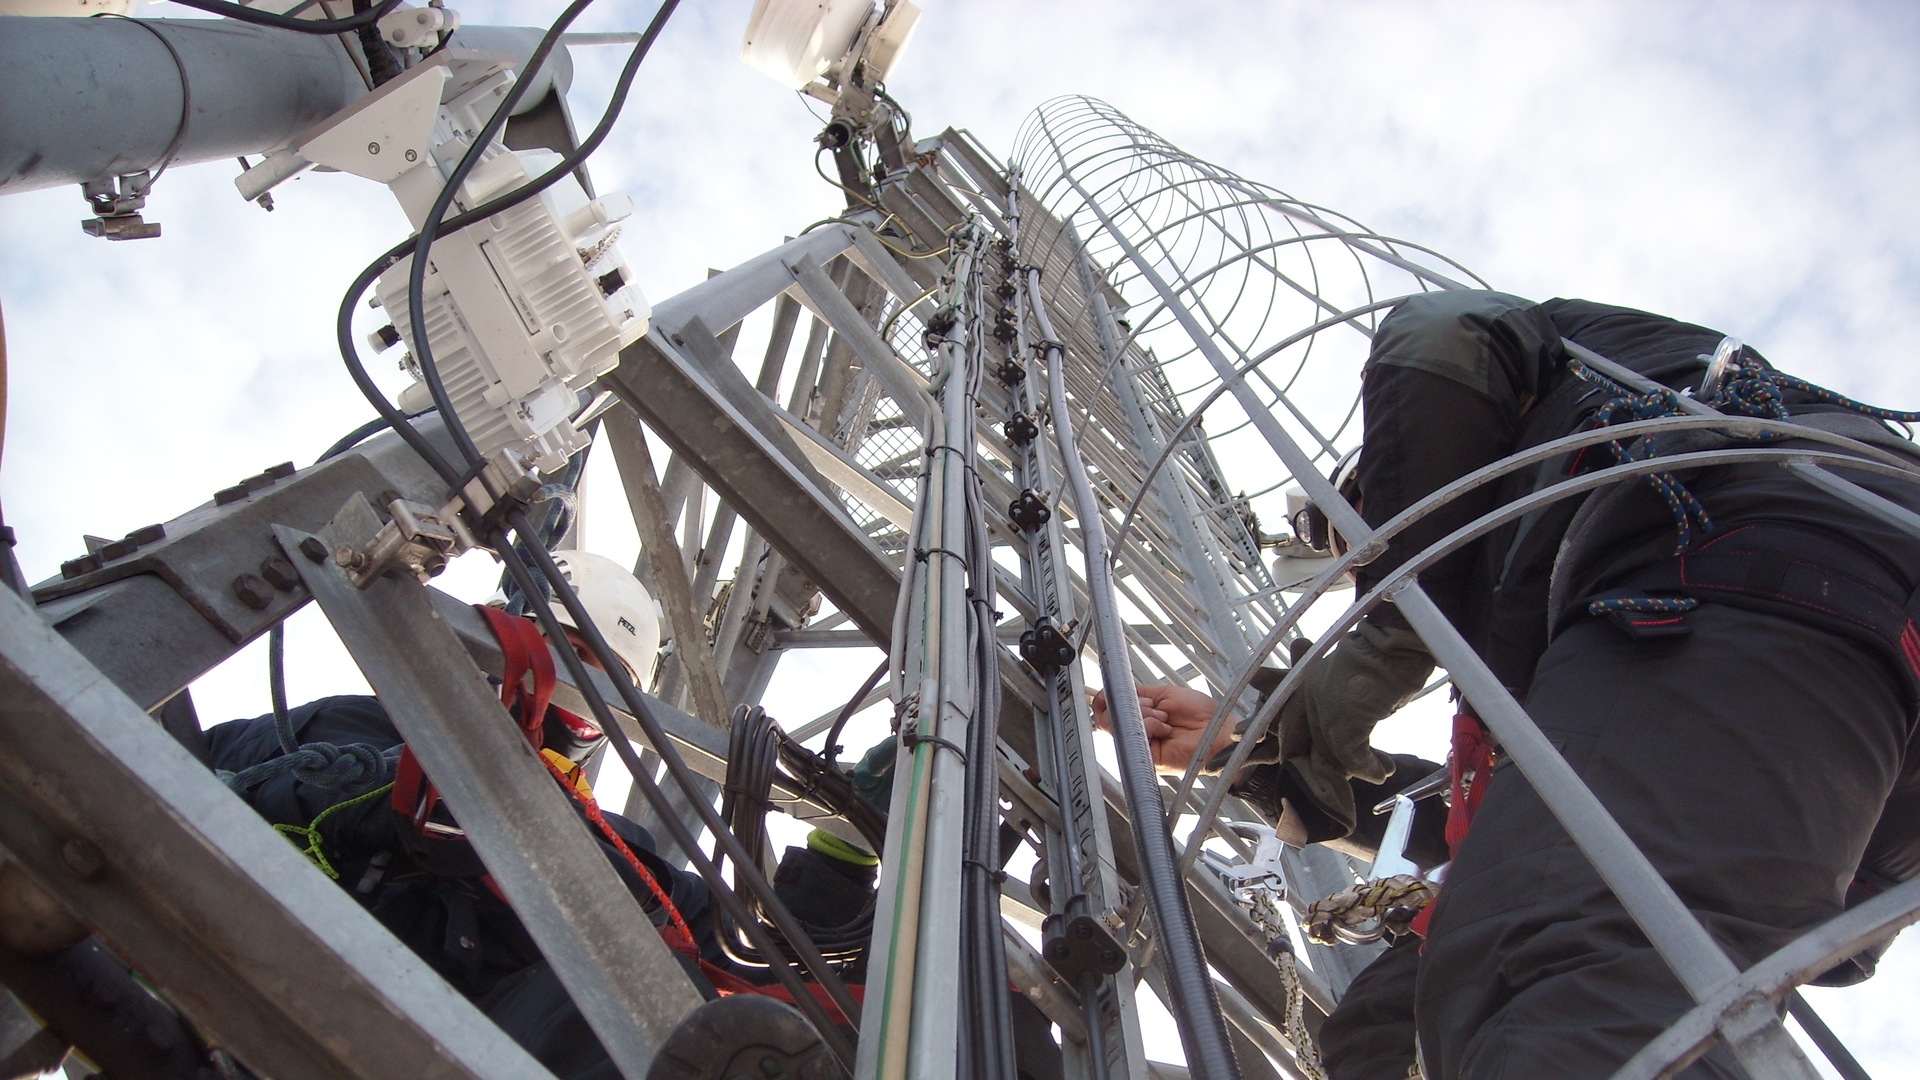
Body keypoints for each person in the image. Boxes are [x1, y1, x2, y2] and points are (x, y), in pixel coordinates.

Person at [1098, 291, 1920, 1078]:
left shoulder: (1592, 381)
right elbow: (1518, 808)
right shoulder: (1561, 664)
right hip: (1827, 729)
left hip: (1750, 575)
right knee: (1392, 1023)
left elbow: (1441, 328)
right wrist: (1252, 756)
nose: (1370, 545)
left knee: (1545, 981)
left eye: (1370, 513)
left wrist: (1392, 623)